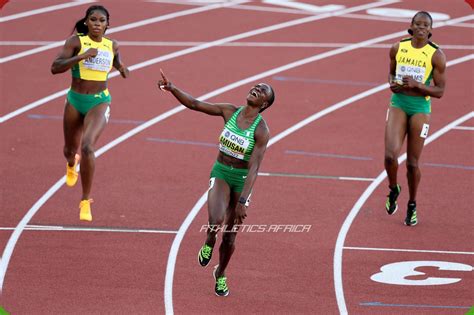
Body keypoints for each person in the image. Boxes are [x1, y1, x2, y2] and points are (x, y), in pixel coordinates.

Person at [157, 70, 275, 296]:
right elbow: (194, 104)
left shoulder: (261, 130)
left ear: (264, 104)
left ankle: (220, 273)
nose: (256, 89)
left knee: (230, 236)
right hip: (221, 171)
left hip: (241, 180)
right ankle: (209, 241)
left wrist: (242, 201)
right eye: (256, 86)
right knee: (215, 220)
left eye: (262, 91)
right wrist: (172, 88)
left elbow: (255, 167)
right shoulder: (229, 110)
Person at [51, 5, 129, 221]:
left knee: (88, 147)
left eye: (101, 20)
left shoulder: (112, 45)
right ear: (86, 22)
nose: (97, 23)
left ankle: (85, 201)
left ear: (107, 24)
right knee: (69, 149)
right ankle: (70, 163)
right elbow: (55, 67)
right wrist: (81, 57)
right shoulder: (76, 42)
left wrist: (122, 68)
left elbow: (116, 61)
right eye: (93, 20)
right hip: (75, 100)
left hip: (99, 102)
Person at [385, 11, 446, 226]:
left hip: (421, 108)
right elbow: (391, 75)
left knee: (412, 163)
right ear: (411, 26)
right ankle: (393, 189)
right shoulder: (397, 47)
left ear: (430, 30)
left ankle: (412, 204)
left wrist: (417, 85)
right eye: (418, 24)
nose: (421, 27)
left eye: (425, 25)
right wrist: (393, 83)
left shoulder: (436, 55)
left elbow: (439, 91)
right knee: (391, 157)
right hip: (399, 103)